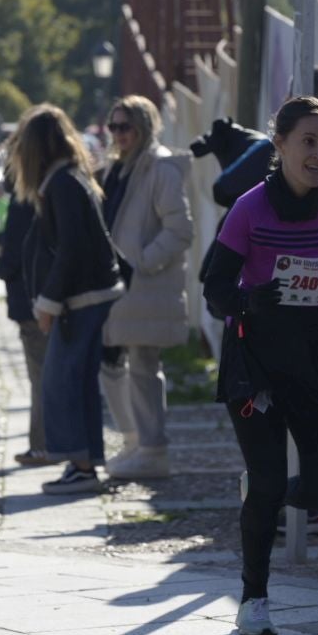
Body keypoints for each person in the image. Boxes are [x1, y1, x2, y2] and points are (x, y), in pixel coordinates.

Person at [204, 96, 318, 635]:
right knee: (268, 480)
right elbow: (214, 287)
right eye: (307, 141)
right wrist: (247, 300)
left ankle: (262, 490)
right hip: (257, 358)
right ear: (278, 144)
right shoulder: (250, 209)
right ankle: (254, 599)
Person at [8, 106, 126, 494]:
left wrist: (48, 303)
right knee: (80, 382)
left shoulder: (61, 183)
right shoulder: (72, 178)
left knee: (60, 382)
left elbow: (70, 249)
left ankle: (79, 464)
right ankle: (88, 462)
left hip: (81, 298)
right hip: (93, 293)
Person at [98, 95, 194, 482]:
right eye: (114, 127)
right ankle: (138, 442)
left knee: (142, 366)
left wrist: (142, 261)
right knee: (116, 365)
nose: (120, 135)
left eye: (127, 127)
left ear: (144, 127)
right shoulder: (118, 168)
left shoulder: (159, 169)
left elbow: (180, 230)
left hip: (143, 284)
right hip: (121, 287)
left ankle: (151, 448)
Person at [0, 180, 52, 466]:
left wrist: (2, 268)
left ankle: (42, 446)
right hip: (47, 297)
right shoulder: (52, 187)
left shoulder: (26, 197)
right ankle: (52, 444)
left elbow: (14, 252)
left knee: (40, 376)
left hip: (30, 300)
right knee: (49, 374)